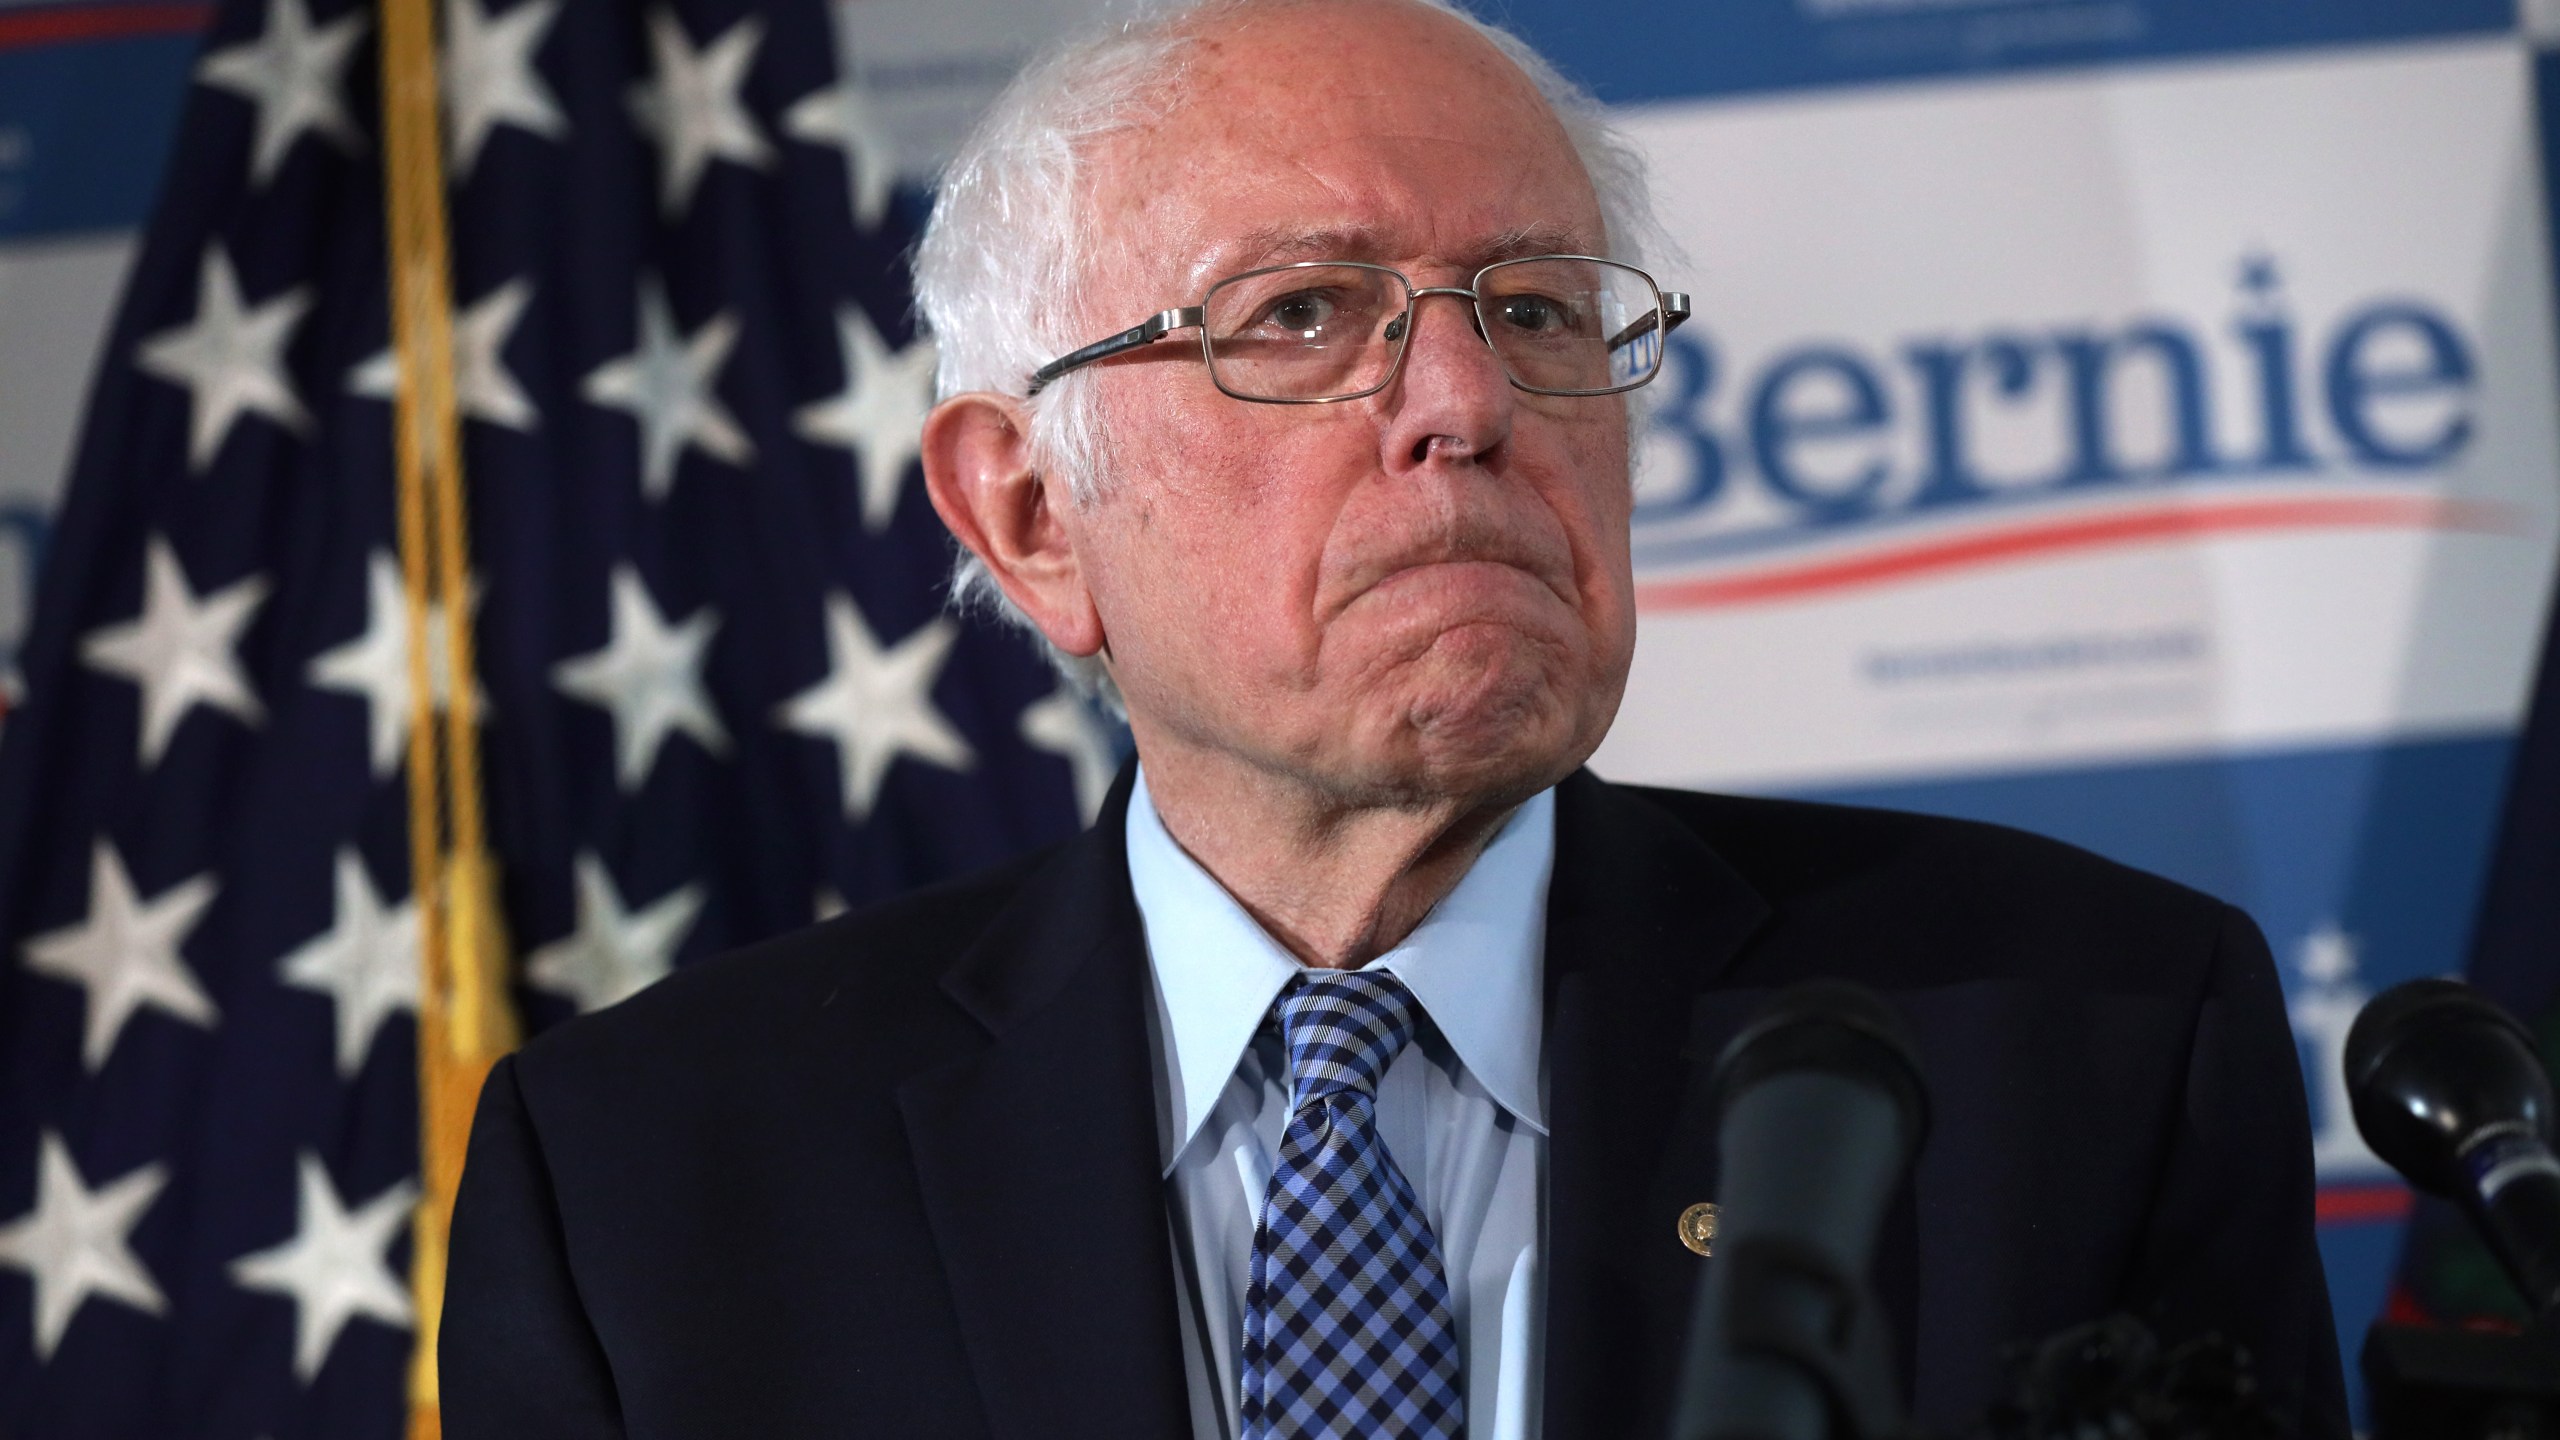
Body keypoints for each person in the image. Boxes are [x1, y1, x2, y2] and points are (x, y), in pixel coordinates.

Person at [441, 0, 2349, 1435]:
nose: (1463, 400)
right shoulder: (653, 1183)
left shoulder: (2080, 1051)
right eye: (1297, 315)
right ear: (1029, 514)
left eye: (1534, 309)